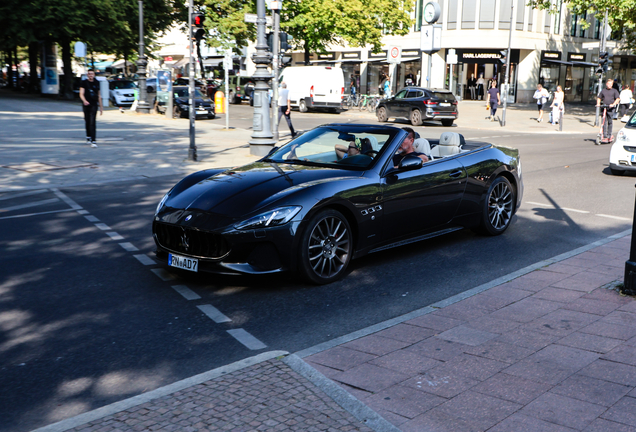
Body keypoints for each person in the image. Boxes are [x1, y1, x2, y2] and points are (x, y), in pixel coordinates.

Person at [79, 69, 102, 148]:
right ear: (87, 75)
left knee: (92, 122)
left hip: (94, 104)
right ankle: (88, 136)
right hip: (86, 105)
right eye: (89, 74)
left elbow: (99, 95)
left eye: (92, 74)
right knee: (87, 121)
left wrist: (101, 107)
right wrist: (84, 101)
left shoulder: (97, 82)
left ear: (94, 74)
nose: (90, 75)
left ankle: (93, 140)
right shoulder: (84, 83)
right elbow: (81, 94)